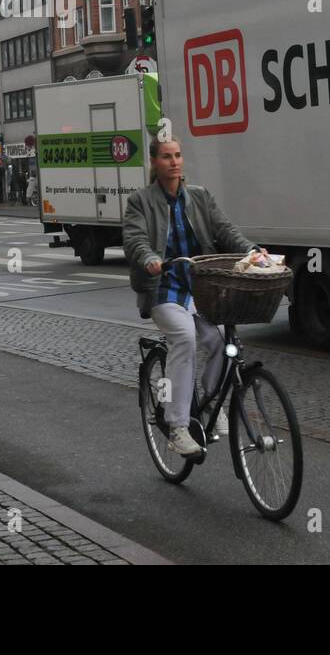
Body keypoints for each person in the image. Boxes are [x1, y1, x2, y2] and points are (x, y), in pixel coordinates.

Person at [122, 138, 268, 457]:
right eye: (166, 157)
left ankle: (211, 400)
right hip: (162, 289)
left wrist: (252, 251)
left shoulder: (199, 197)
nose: (174, 162)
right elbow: (134, 239)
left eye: (177, 156)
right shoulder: (140, 201)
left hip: (201, 288)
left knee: (222, 343)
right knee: (185, 339)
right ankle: (177, 427)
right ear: (154, 163)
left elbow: (225, 230)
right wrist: (149, 259)